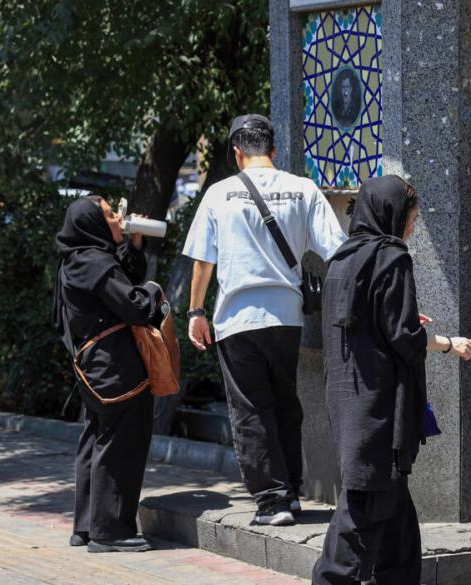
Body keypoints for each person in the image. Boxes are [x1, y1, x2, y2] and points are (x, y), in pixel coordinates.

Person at [182, 114, 347, 526]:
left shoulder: (219, 194)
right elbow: (338, 251)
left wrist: (196, 311)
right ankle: (290, 491)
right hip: (287, 316)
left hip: (237, 318)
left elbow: (203, 261)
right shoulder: (303, 189)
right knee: (285, 402)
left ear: (237, 152)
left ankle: (272, 502)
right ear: (274, 150)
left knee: (251, 409)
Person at [312, 175, 471, 585]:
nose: (411, 228)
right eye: (410, 219)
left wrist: (400, 317)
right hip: (379, 405)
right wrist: (448, 343)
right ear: (392, 215)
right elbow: (404, 338)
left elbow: (360, 321)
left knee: (395, 517)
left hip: (348, 398)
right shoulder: (391, 256)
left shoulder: (343, 258)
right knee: (362, 508)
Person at [53, 196, 165, 553]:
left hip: (94, 368)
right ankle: (110, 532)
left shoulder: (77, 260)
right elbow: (134, 306)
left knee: (96, 439)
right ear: (93, 224)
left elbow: (120, 282)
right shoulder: (94, 262)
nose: (118, 218)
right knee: (121, 445)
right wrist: (153, 293)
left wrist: (134, 245)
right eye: (109, 214)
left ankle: (87, 526)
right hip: (117, 369)